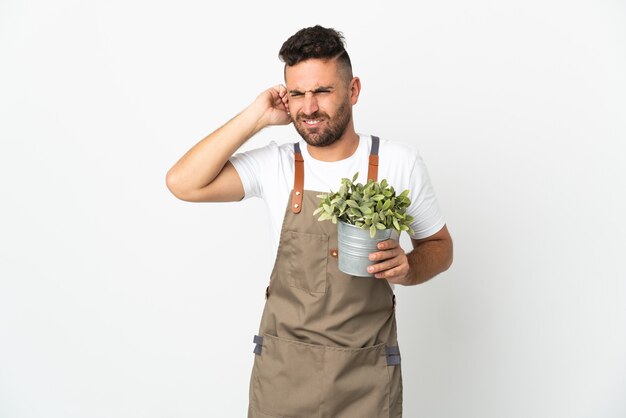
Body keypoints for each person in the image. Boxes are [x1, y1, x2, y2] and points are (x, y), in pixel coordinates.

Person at [166, 25, 453, 418]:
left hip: (366, 377)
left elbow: (440, 247)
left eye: (322, 91)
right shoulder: (276, 163)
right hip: (284, 375)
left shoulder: (398, 162)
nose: (308, 107)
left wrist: (408, 268)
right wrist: (255, 117)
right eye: (297, 94)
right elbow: (182, 183)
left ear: (352, 91)